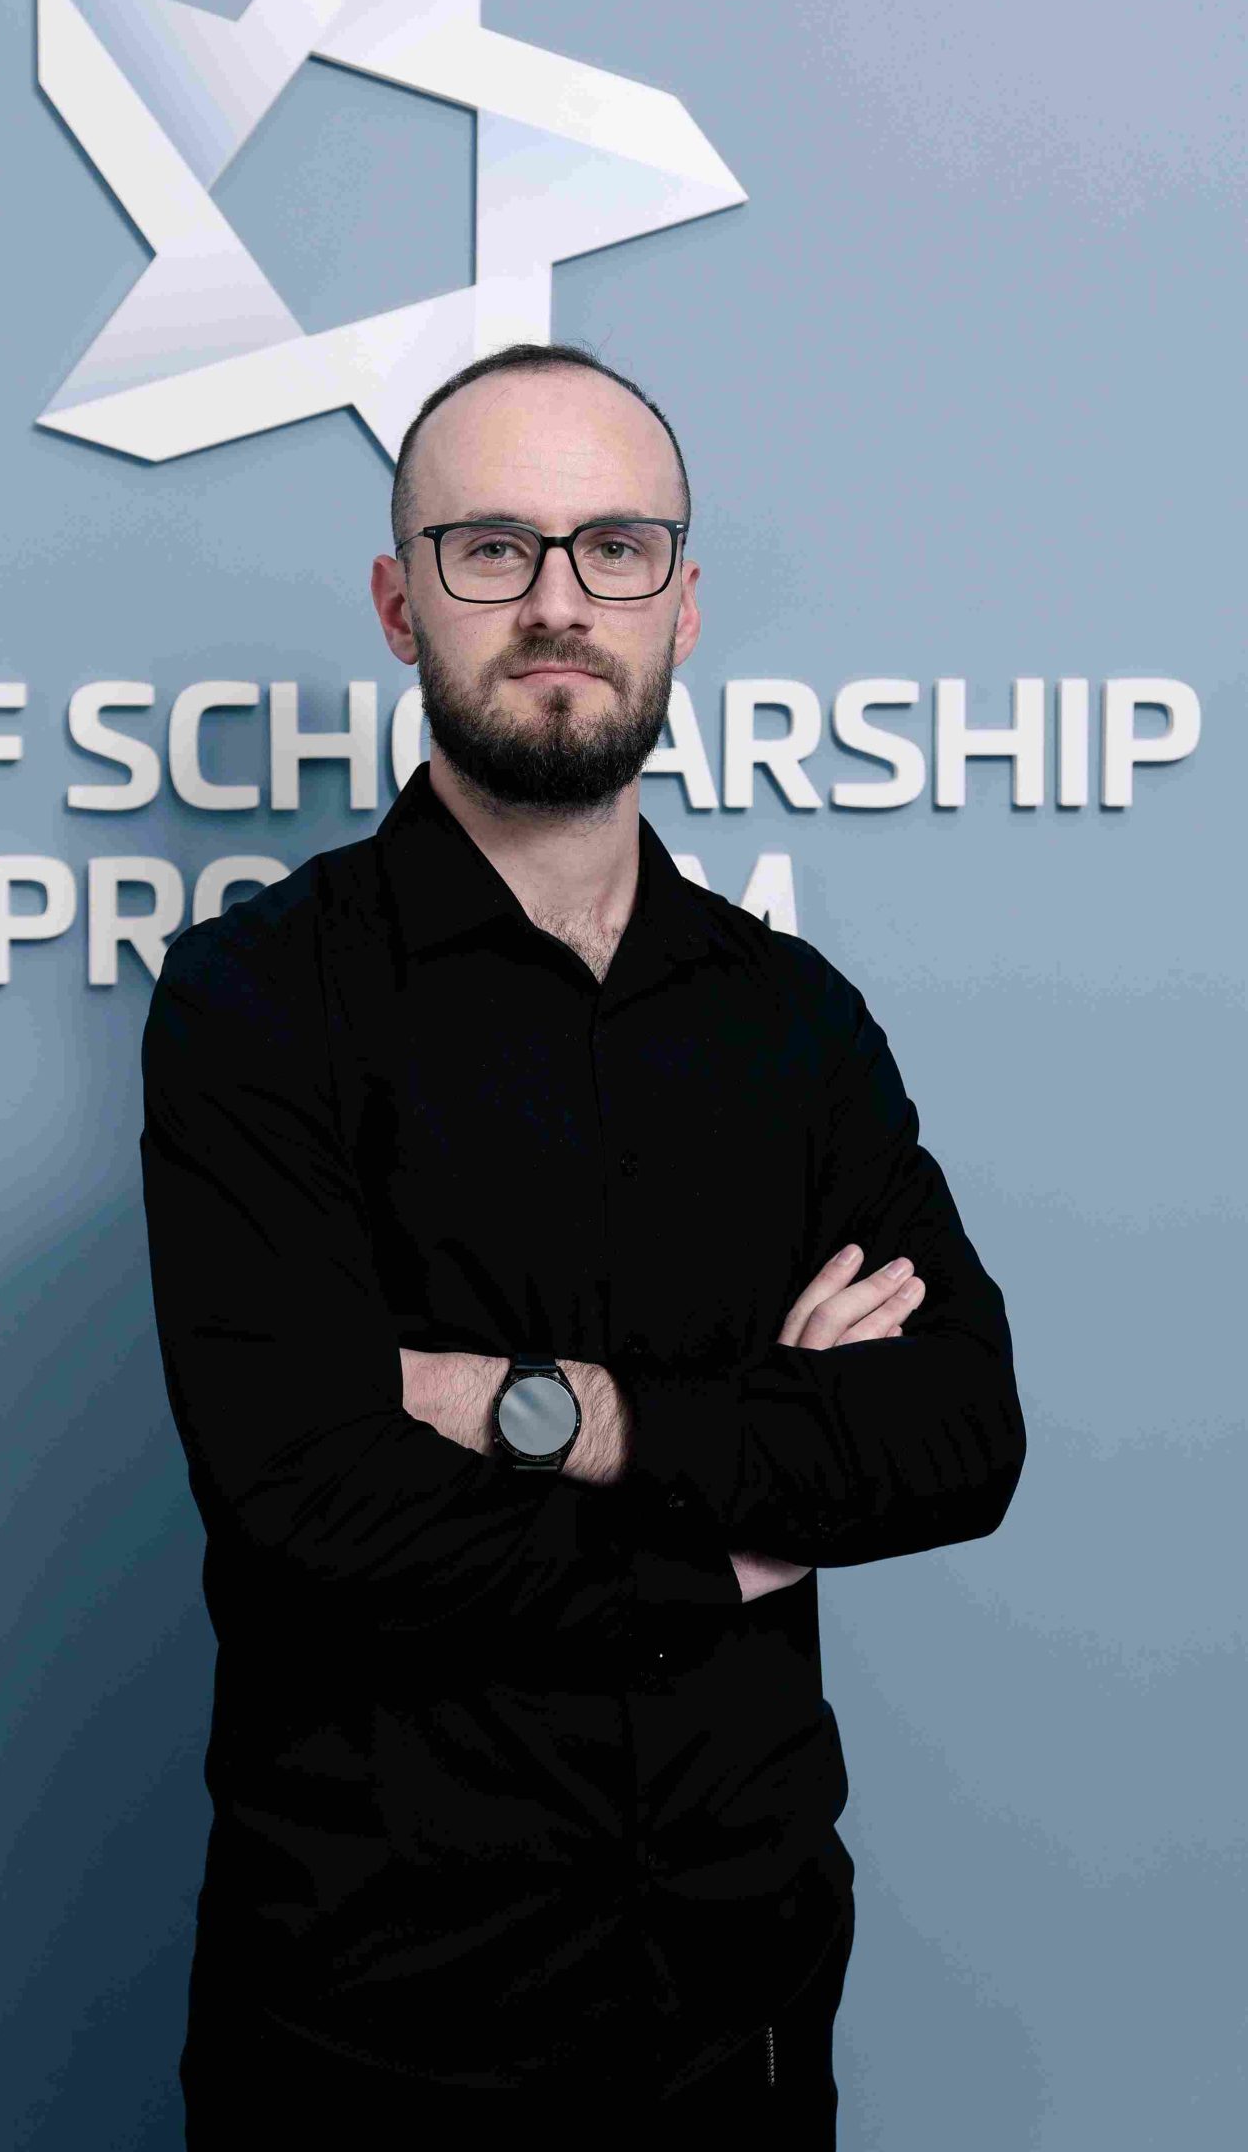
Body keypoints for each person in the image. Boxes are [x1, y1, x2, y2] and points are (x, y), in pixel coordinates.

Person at [139, 340, 1027, 2148]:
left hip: (740, 2012)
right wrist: (739, 1525)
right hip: (370, 2032)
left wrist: (553, 1410)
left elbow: (957, 1431)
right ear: (400, 604)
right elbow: (314, 1509)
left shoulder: (795, 1023)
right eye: (492, 549)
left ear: (681, 602)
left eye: (613, 547)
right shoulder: (254, 1006)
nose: (558, 601)